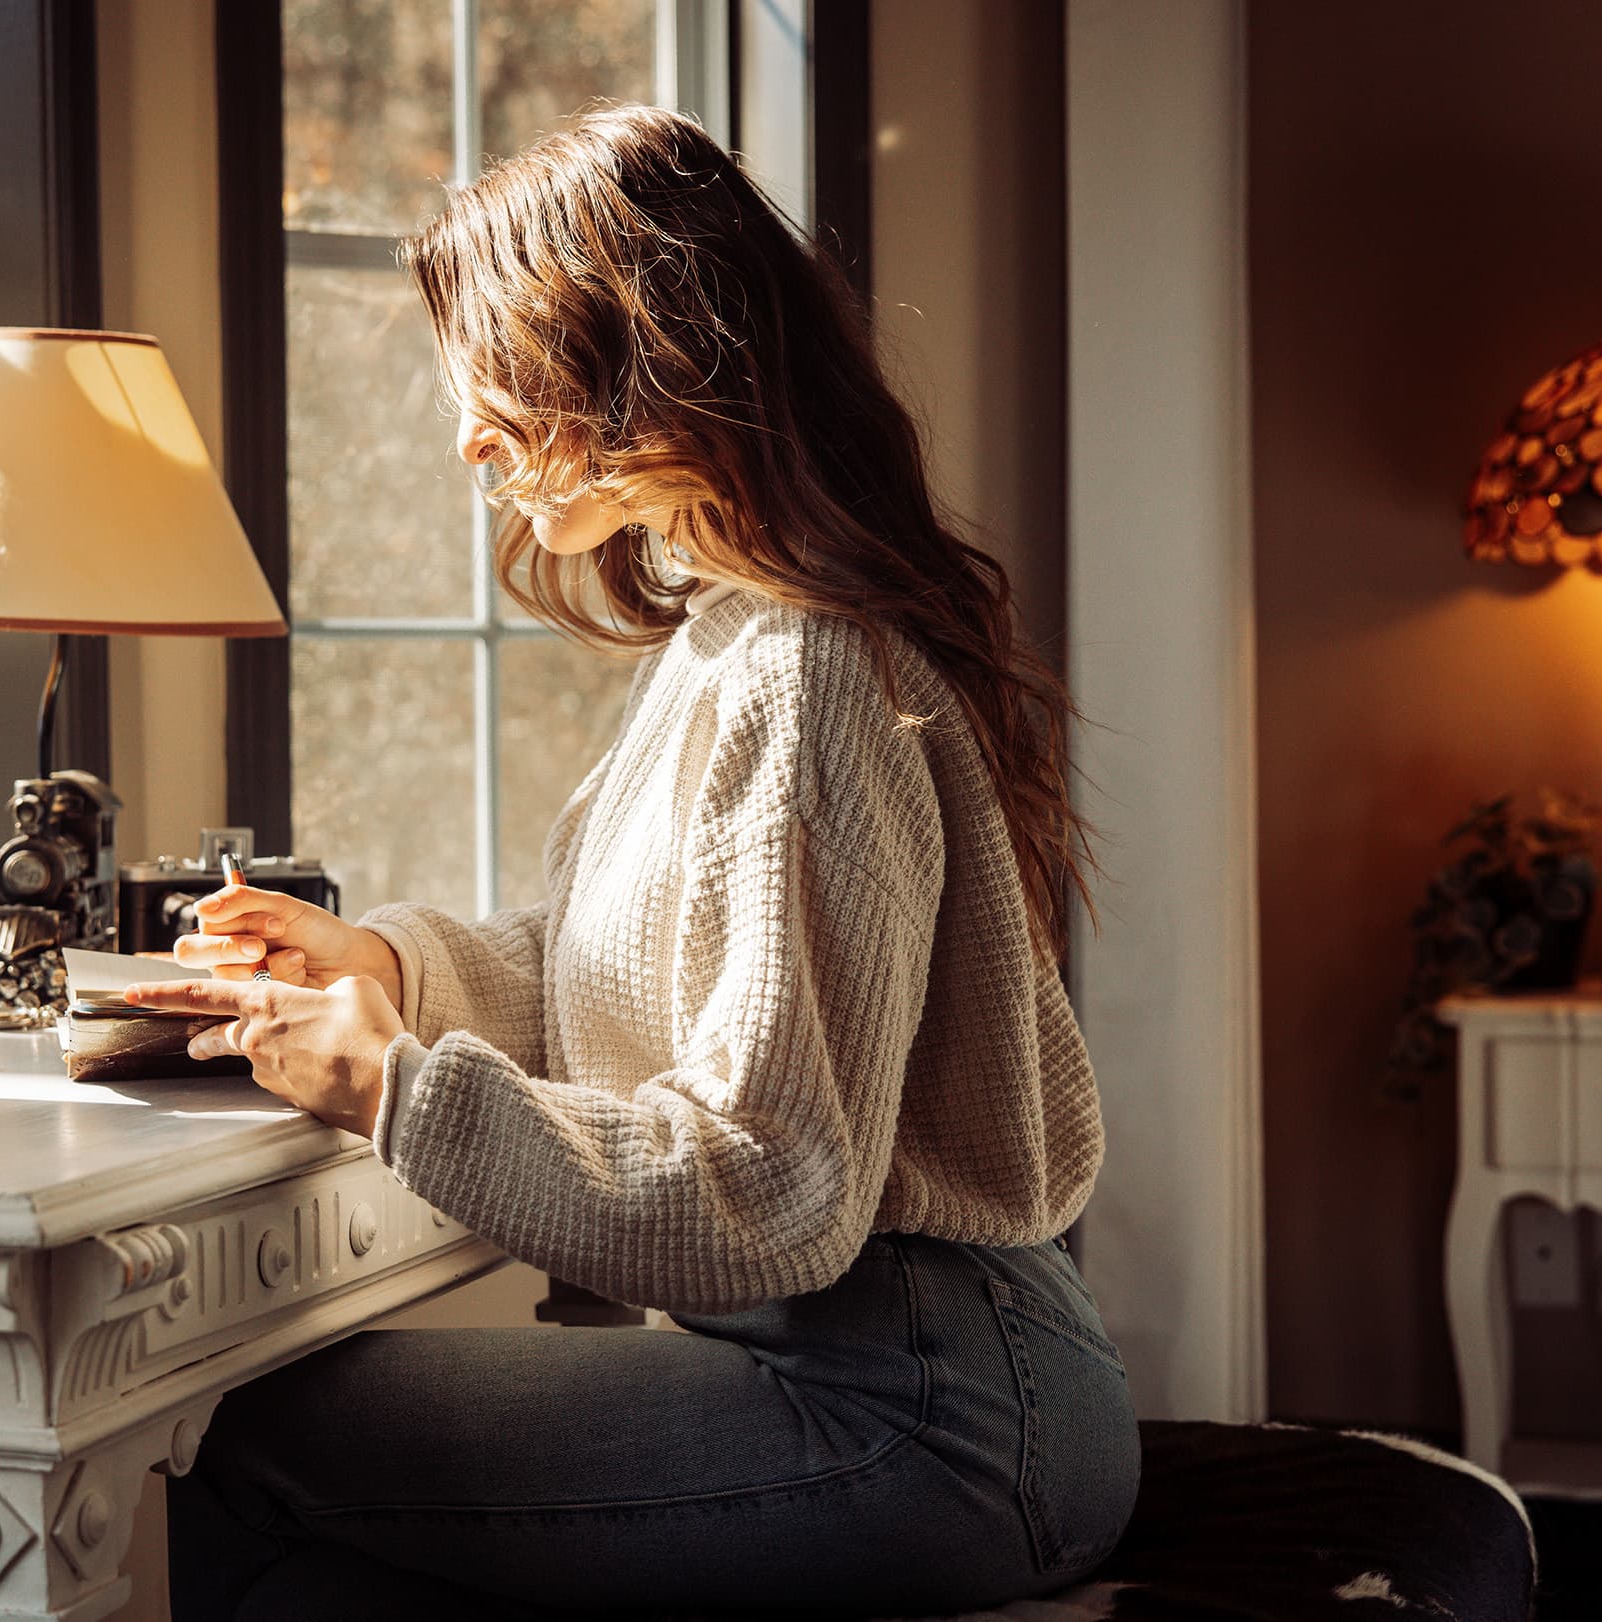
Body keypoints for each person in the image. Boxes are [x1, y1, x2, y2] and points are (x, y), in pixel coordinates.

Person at [129, 102, 1140, 1621]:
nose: (468, 435)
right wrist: (388, 967)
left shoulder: (804, 673)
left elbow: (780, 1178)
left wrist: (395, 1085)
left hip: (937, 1409)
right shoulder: (732, 640)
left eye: (496, 374)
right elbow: (599, 970)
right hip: (915, 1376)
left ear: (631, 347)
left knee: (243, 1443)